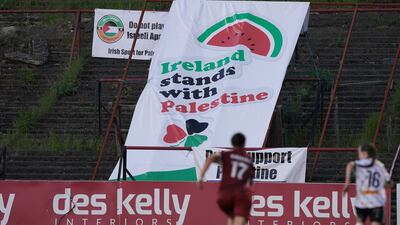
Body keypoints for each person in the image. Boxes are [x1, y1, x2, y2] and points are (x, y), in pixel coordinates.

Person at [197, 133, 254, 225]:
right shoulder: (248, 160)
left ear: (232, 143)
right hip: (239, 194)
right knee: (241, 219)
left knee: (232, 217)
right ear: (244, 144)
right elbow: (249, 184)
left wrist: (201, 177)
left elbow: (210, 158)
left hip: (224, 196)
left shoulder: (226, 154)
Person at [343, 143, 393, 225]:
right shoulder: (379, 165)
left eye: (359, 153)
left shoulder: (363, 163)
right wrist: (388, 184)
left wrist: (347, 182)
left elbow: (350, 165)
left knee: (359, 222)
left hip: (362, 201)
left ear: (365, 153)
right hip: (376, 202)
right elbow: (388, 183)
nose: (359, 156)